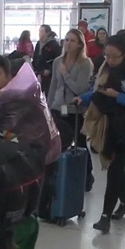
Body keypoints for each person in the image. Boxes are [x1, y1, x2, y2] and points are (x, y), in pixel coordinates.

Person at [74, 32, 125, 234]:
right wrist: (84, 98)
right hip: (109, 127)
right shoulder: (105, 69)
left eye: (114, 56)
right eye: (106, 55)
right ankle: (124, 203)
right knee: (117, 170)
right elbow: (97, 90)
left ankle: (105, 216)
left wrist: (118, 96)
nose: (109, 59)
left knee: (115, 169)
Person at [47, 29, 95, 191]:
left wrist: (66, 74)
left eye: (72, 40)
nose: (68, 43)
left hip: (75, 109)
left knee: (80, 143)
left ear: (80, 44)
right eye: (66, 40)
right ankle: (57, 175)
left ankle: (87, 176)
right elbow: (53, 86)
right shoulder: (57, 61)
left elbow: (80, 88)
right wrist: (47, 106)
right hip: (57, 107)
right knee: (57, 143)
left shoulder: (85, 63)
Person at [33, 24, 62, 94]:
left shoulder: (54, 45)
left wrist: (50, 70)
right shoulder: (38, 43)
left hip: (48, 76)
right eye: (39, 31)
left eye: (42, 32)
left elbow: (57, 60)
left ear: (48, 33)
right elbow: (35, 57)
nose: (39, 33)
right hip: (38, 73)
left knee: (47, 93)